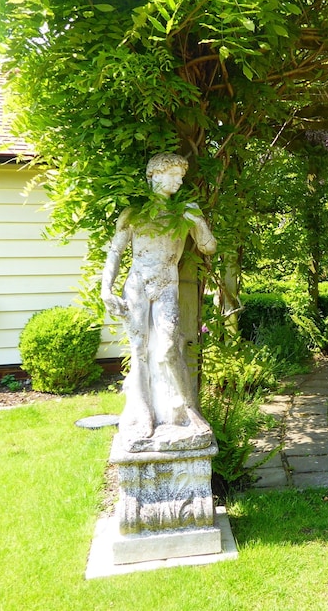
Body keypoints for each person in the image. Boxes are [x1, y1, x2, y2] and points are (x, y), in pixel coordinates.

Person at [101, 153, 217, 446]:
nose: (179, 181)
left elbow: (209, 248)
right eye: (173, 174)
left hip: (167, 286)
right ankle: (144, 414)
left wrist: (198, 222)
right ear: (155, 175)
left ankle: (190, 410)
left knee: (167, 349)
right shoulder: (134, 213)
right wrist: (106, 289)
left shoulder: (183, 212)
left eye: (181, 176)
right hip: (137, 286)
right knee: (139, 351)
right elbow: (115, 252)